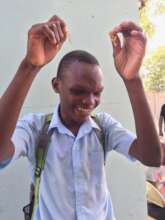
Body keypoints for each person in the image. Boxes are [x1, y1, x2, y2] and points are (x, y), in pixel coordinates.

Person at [0, 15, 164, 220]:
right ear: (56, 85)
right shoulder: (36, 129)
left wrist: (133, 80)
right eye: (79, 91)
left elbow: (152, 157)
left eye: (97, 93)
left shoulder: (104, 127)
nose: (90, 101)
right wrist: (29, 66)